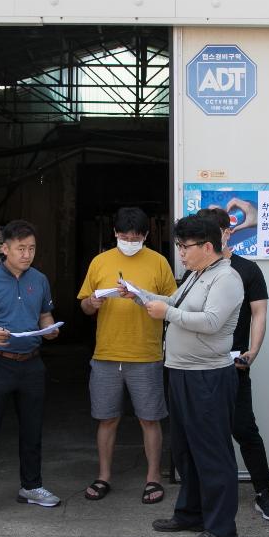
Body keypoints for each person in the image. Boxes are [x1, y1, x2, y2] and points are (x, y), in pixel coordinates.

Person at [137, 215, 244, 537]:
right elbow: (175, 304)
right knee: (185, 450)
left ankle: (221, 527)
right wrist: (140, 296)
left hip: (207, 376)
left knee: (212, 452)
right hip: (183, 372)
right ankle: (190, 513)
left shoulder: (226, 278)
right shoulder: (197, 275)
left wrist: (165, 314)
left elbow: (211, 322)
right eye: (180, 246)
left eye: (185, 246)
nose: (180, 252)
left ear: (207, 246)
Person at [0, 219, 61, 520]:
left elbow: (45, 314)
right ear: (4, 249)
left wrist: (49, 330)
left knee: (32, 430)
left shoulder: (39, 280)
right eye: (20, 248)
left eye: (31, 248)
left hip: (31, 363)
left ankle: (31, 486)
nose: (27, 254)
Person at [77, 207, 177, 504]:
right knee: (106, 418)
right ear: (115, 234)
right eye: (123, 236)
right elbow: (83, 305)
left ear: (146, 236)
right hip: (106, 353)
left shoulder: (159, 263)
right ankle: (104, 475)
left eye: (135, 237)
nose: (129, 241)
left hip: (145, 354)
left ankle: (153, 477)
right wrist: (92, 304)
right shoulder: (100, 262)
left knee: (150, 418)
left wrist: (141, 296)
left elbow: (173, 304)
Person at [197, 207, 269, 521]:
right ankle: (205, 497)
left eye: (212, 232)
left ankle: (264, 493)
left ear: (227, 232)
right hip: (199, 366)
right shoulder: (195, 270)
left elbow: (259, 313)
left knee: (244, 429)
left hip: (234, 365)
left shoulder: (247, 269)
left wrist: (252, 352)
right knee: (204, 432)